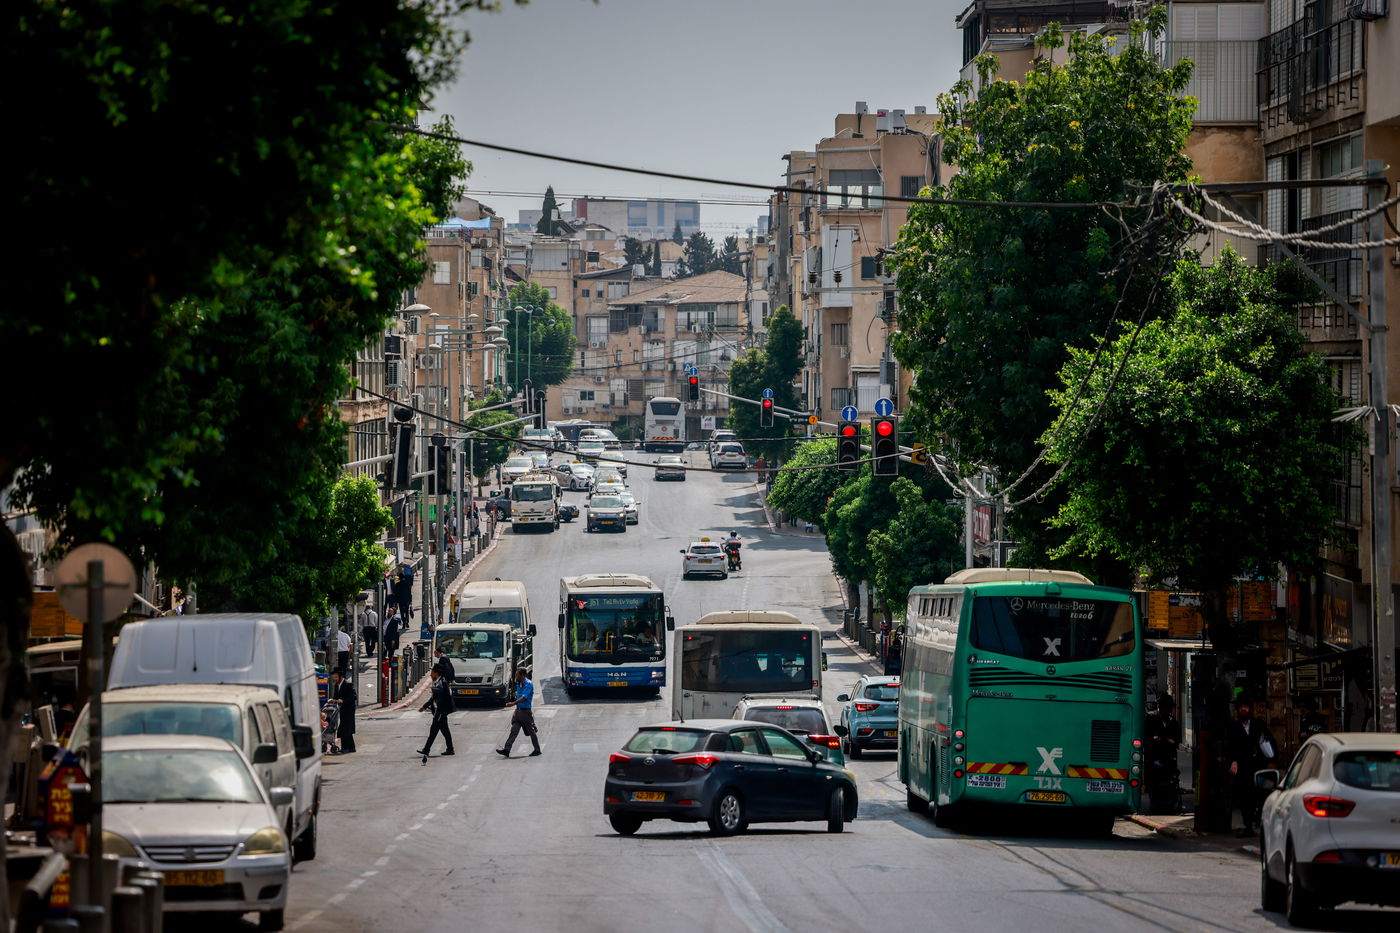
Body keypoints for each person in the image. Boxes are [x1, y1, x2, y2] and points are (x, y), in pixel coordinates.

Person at [1226, 697, 1276, 836]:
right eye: (1241, 707)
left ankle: (1259, 820)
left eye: (1246, 707)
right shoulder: (1234, 727)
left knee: (1261, 794)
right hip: (1243, 767)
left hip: (1259, 766)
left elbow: (1269, 741)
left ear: (1250, 709)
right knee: (1244, 796)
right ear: (1237, 710)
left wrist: (1272, 760)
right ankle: (1248, 826)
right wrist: (1233, 761)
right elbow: (1230, 747)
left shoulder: (1258, 724)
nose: (1243, 709)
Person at [1145, 694, 1182, 811]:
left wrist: (1163, 740)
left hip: (1169, 757)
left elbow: (1176, 740)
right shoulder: (1151, 719)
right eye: (1165, 708)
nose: (1167, 710)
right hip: (1154, 755)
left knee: (1171, 778)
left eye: (1169, 708)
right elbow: (1147, 737)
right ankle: (1155, 800)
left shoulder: (1173, 722)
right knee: (1154, 778)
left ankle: (1170, 800)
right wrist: (1155, 740)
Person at [496, 667, 541, 758]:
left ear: (523, 675)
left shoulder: (528, 684)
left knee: (531, 732)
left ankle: (537, 750)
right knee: (513, 731)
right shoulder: (519, 683)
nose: (516, 676)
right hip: (518, 711)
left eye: (517, 675)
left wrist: (513, 703)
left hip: (525, 712)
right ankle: (507, 749)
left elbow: (524, 697)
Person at [417, 668, 455, 757]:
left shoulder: (441, 683)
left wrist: (435, 690)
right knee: (445, 731)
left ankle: (426, 749)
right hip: (440, 711)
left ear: (436, 673)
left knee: (433, 730)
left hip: (440, 711)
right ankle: (450, 749)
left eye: (432, 673)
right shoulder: (439, 682)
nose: (431, 675)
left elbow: (441, 695)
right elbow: (433, 698)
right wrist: (424, 706)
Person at [331, 668, 356, 754]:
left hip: (349, 709)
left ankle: (345, 748)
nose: (334, 679)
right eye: (334, 677)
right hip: (342, 709)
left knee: (345, 728)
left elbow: (353, 697)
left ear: (340, 676)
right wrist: (332, 700)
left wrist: (343, 700)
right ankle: (351, 747)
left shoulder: (348, 684)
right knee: (346, 728)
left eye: (336, 677)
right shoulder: (336, 685)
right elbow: (336, 696)